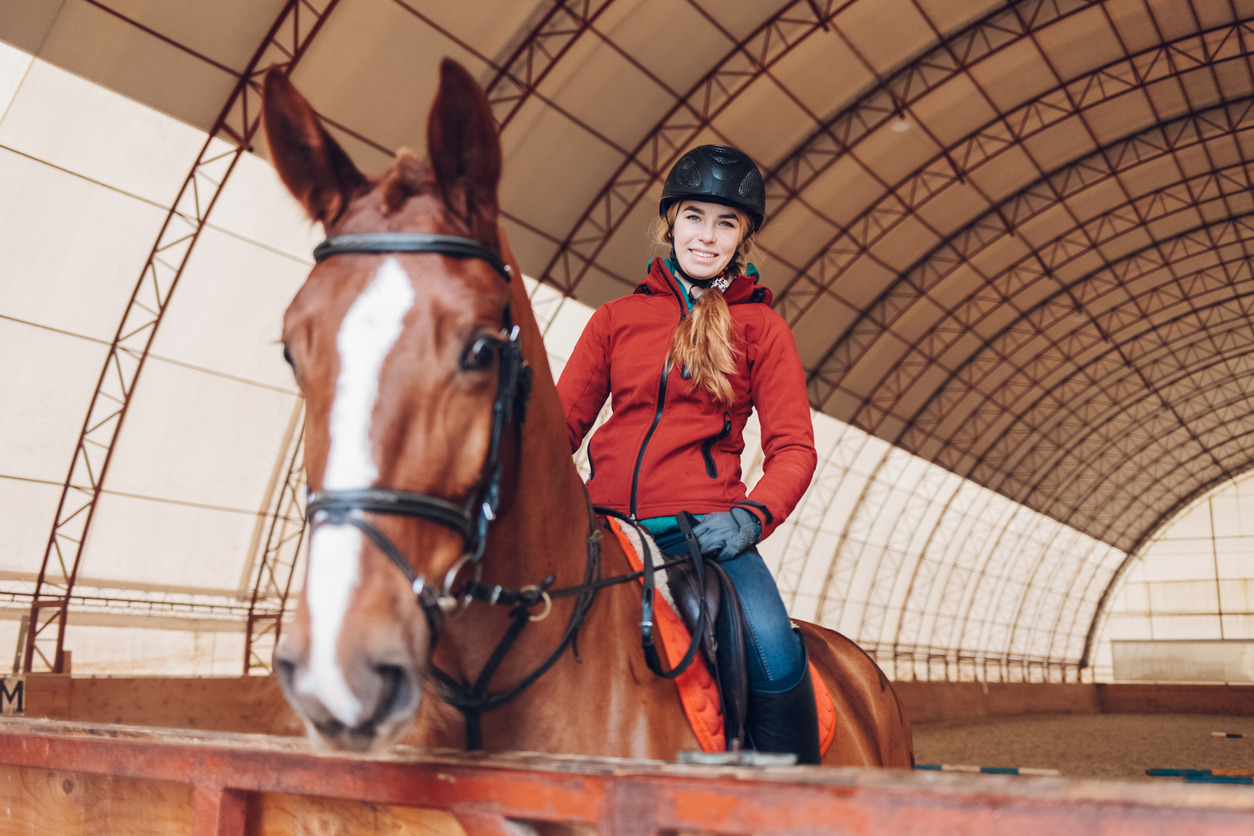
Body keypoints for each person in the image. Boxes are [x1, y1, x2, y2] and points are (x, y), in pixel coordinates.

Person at [557, 145, 820, 763]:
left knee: (775, 655)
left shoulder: (762, 329)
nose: (707, 236)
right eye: (696, 217)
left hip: (704, 535)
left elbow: (794, 448)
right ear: (670, 221)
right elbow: (559, 427)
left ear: (743, 237)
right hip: (603, 530)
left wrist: (752, 517)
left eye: (726, 223)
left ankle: (794, 804)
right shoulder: (615, 320)